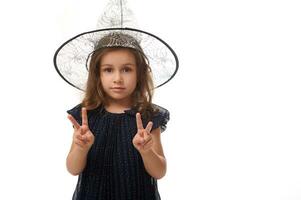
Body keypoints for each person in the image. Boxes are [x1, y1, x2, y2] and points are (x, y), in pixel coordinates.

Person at [66, 32, 170, 200]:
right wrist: (81, 148)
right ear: (97, 74)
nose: (118, 78)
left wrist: (147, 151)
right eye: (108, 70)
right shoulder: (87, 115)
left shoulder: (148, 117)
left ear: (140, 73)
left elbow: (159, 171)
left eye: (127, 69)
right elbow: (73, 168)